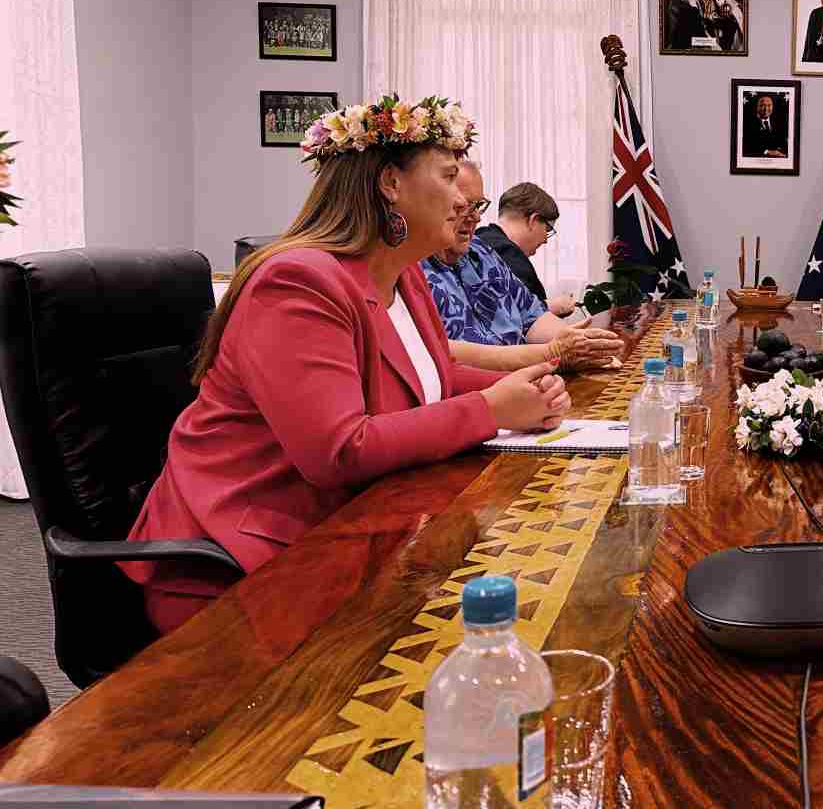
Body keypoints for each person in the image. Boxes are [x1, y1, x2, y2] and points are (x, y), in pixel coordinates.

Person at [121, 96, 572, 633]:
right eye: (450, 178)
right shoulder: (298, 283)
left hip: (347, 532)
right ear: (390, 184)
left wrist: (525, 388)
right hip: (237, 565)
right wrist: (490, 409)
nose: (463, 202)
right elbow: (338, 450)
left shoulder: (404, 276)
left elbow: (430, 378)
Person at [423, 160, 623, 371]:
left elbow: (533, 316)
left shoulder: (483, 252)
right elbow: (442, 355)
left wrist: (582, 344)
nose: (477, 218)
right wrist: (551, 354)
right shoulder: (411, 269)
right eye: (462, 206)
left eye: (479, 206)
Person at [477, 181, 573, 312]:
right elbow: (522, 318)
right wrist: (555, 307)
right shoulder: (509, 255)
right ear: (533, 220)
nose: (545, 239)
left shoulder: (478, 240)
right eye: (547, 229)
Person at [742, 93, 789, 158]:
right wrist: (767, 152)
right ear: (757, 107)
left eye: (769, 105)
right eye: (762, 105)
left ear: (773, 106)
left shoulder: (781, 122)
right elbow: (746, 147)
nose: (766, 109)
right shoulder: (747, 123)